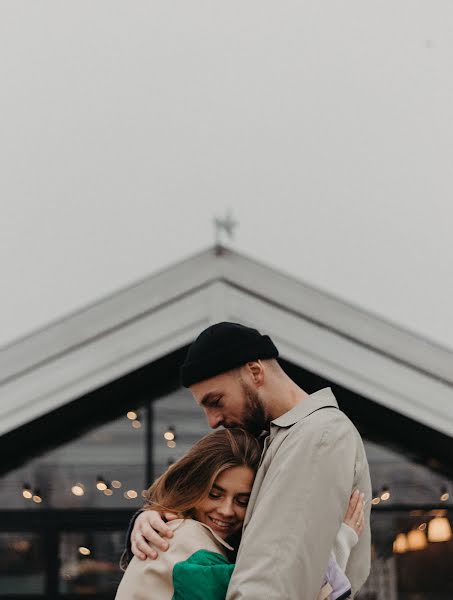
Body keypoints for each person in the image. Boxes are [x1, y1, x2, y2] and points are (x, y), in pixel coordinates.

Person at [129, 322, 372, 599]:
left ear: (255, 371)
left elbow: (275, 578)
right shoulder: (276, 440)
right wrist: (158, 517)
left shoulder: (317, 436)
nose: (212, 421)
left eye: (216, 401)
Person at [117, 427, 365, 600]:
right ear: (192, 487)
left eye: (242, 500)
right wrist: (341, 543)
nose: (226, 510)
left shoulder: (194, 537)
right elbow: (283, 588)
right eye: (214, 494)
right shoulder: (181, 538)